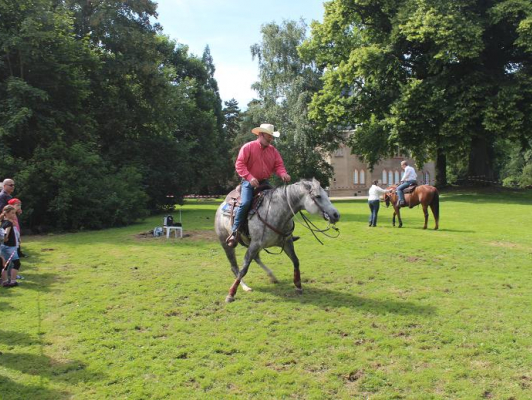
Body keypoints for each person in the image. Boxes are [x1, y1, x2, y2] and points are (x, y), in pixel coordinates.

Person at [226, 123, 291, 247]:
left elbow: (278, 165)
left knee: (278, 202)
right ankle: (235, 231)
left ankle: (283, 234)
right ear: (261, 135)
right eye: (269, 136)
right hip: (248, 182)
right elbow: (240, 164)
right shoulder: (248, 147)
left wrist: (283, 174)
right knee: (245, 203)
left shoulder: (273, 151)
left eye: (272, 137)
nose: (271, 139)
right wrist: (250, 178)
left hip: (264, 182)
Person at [1, 205, 21, 287]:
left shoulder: (2, 222)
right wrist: (5, 238)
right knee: (16, 263)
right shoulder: (8, 223)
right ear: (6, 213)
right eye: (12, 213)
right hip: (10, 247)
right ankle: (13, 281)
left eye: (14, 213)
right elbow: (6, 235)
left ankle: (5, 281)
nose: (14, 215)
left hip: (3, 246)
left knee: (5, 264)